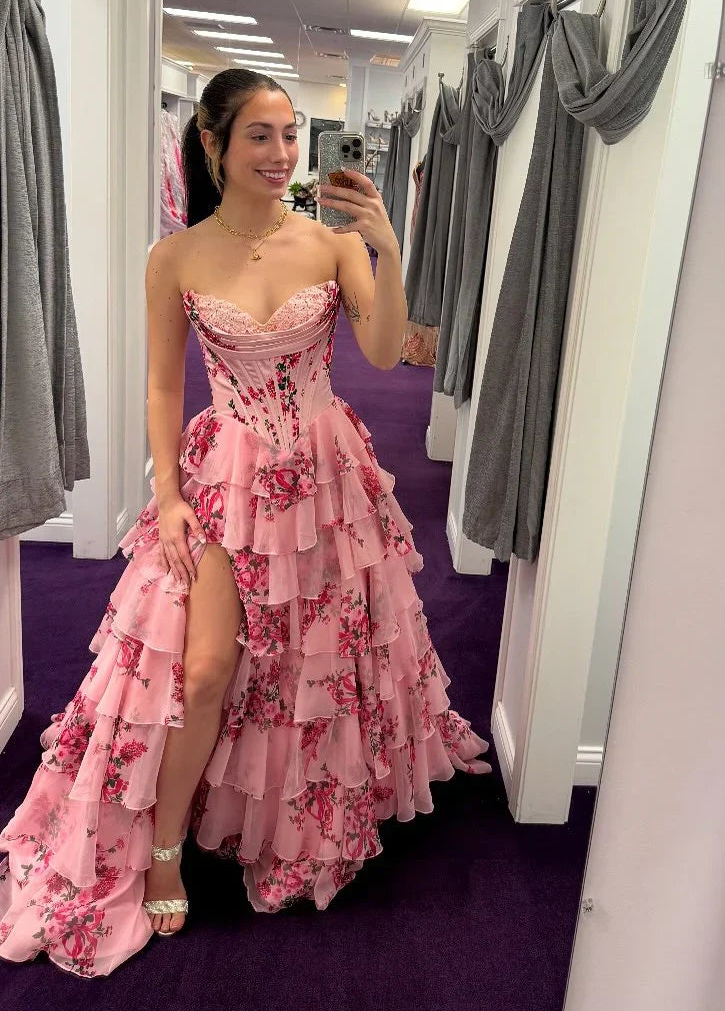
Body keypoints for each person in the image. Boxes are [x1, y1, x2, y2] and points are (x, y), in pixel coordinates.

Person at [0, 69, 491, 978]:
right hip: (227, 475)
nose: (281, 153)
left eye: (289, 134)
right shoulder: (176, 257)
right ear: (214, 144)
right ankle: (160, 849)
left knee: (312, 657)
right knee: (207, 667)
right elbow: (161, 386)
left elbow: (387, 352)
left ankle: (283, 816)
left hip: (325, 475)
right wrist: (169, 496)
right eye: (259, 135)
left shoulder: (330, 243)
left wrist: (386, 246)